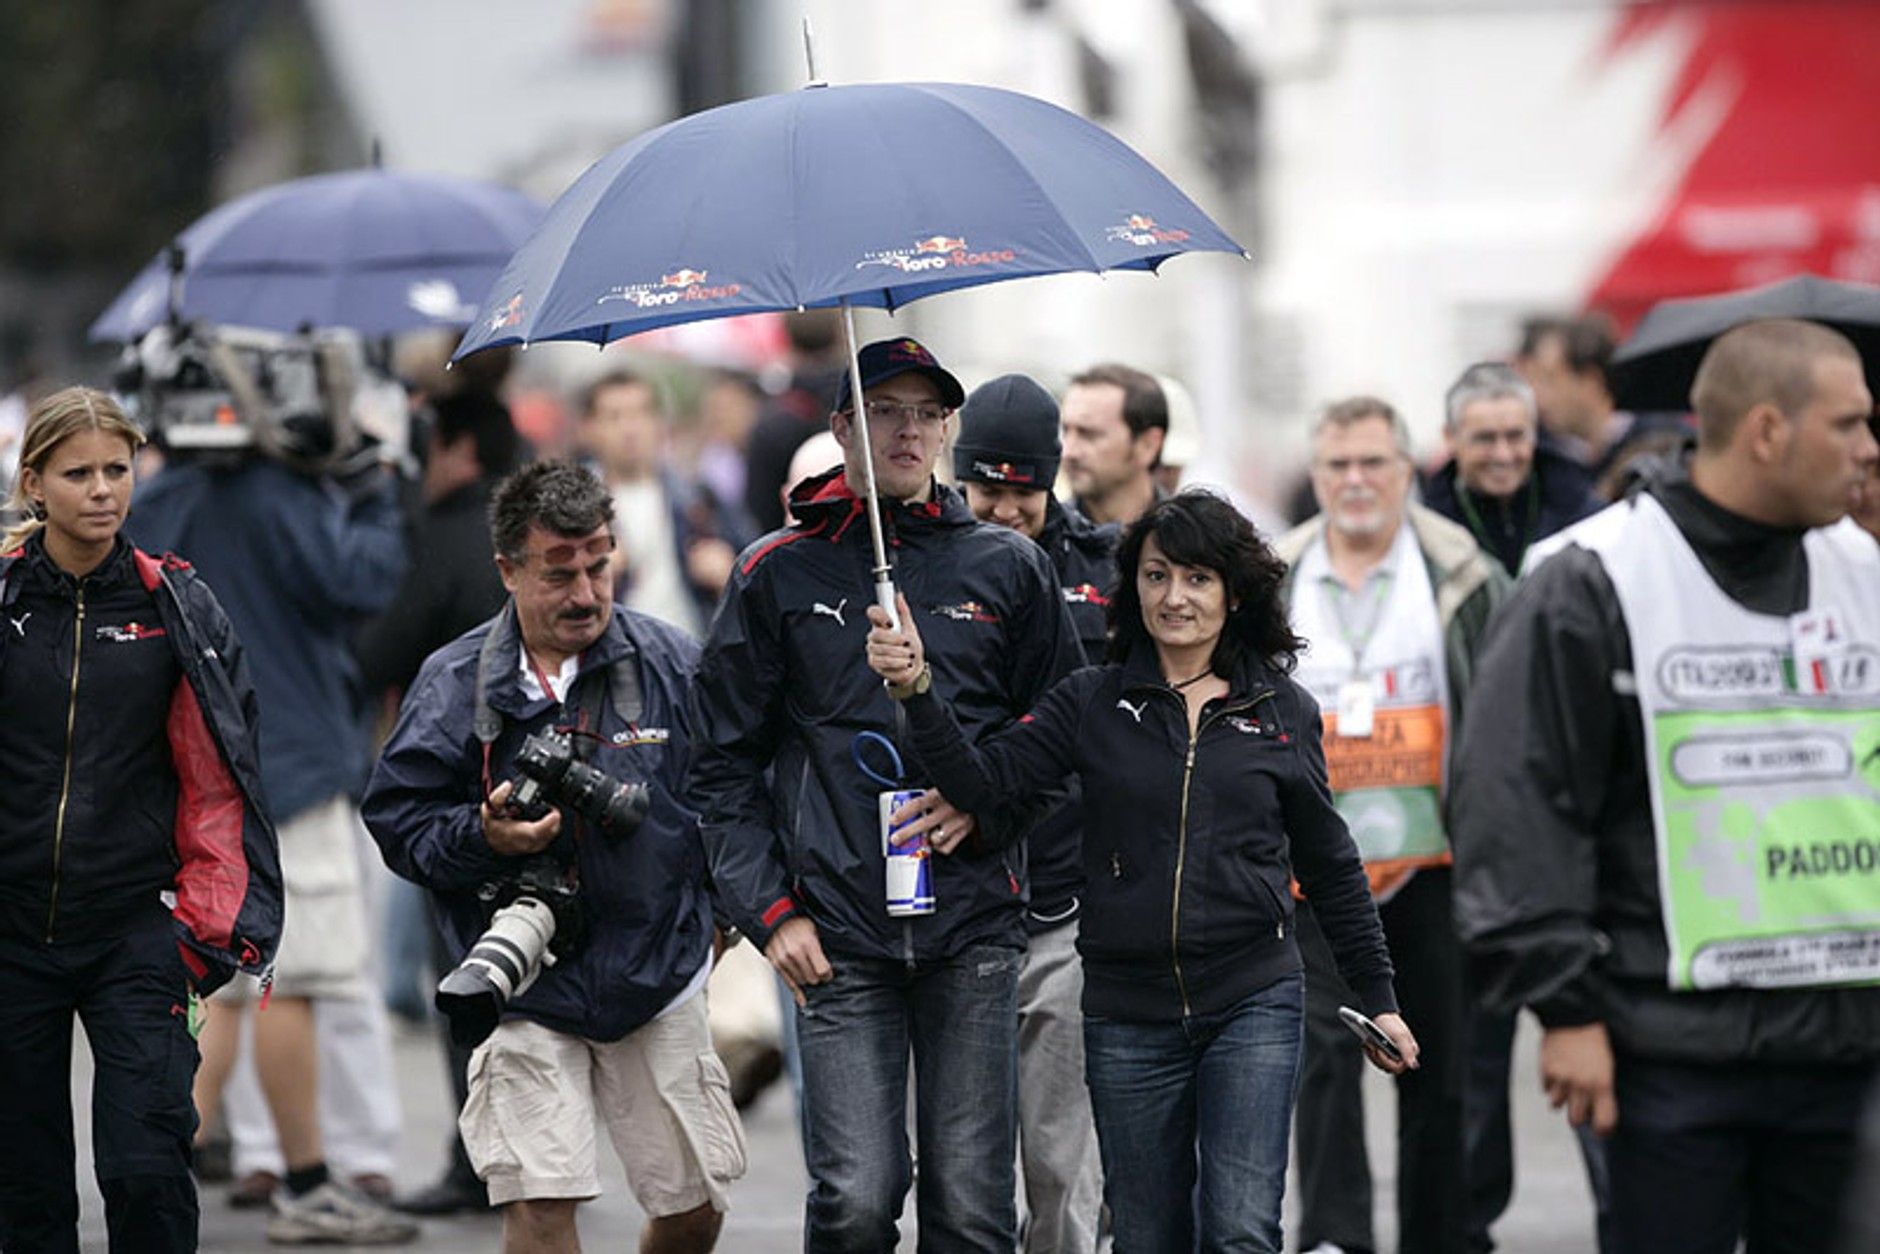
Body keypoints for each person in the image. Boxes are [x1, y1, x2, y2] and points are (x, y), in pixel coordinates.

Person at [868, 489, 1419, 1254]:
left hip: (1252, 997)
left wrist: (1379, 996)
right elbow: (985, 786)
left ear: (1234, 593)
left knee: (1240, 1231)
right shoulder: (1091, 698)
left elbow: (1329, 862)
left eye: (1197, 579)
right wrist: (919, 693)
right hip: (1128, 1010)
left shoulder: (1282, 709)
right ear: (1133, 587)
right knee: (1146, 1236)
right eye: (1157, 576)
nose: (1175, 598)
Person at [1451, 317, 1880, 1254]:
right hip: (1667, 1053)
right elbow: (1515, 803)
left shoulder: (1865, 573)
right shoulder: (1594, 577)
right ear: (1768, 431)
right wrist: (1564, 1007)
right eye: (1849, 424)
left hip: (1848, 1049)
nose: (1870, 448)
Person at [689, 336, 1083, 1252]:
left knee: (972, 1208)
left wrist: (987, 809)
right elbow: (716, 766)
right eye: (883, 411)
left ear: (948, 430)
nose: (906, 430)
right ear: (840, 430)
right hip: (835, 933)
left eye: (925, 413)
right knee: (858, 1200)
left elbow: (1065, 740)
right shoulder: (774, 572)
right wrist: (770, 912)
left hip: (976, 926)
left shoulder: (1009, 566)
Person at [364, 459, 746, 1253]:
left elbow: (737, 796)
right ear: (507, 570)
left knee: (694, 1207)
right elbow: (397, 818)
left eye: (599, 565)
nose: (584, 593)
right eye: (558, 572)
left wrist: (721, 917)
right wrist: (483, 837)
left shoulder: (674, 662)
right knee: (539, 1206)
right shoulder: (453, 682)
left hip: (657, 974)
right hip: (521, 985)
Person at [128, 380, 418, 1245]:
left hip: (191, 771)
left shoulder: (162, 499)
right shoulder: (284, 496)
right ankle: (306, 1182)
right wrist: (373, 485)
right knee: (292, 977)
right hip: (289, 763)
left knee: (218, 986)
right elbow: (362, 581)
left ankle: (152, 1162)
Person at [0, 386, 281, 1253]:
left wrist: (200, 932)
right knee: (26, 1192)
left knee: (148, 1171)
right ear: (34, 483)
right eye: (77, 472)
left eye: (116, 469)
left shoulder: (178, 606)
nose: (101, 490)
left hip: (137, 933)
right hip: (10, 935)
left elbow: (225, 778)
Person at [1274, 397, 1508, 1254]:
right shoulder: (1279, 574)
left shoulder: (1463, 574)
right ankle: (1335, 1238)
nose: (1357, 481)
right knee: (1323, 1068)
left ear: (1409, 471)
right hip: (1316, 875)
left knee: (1438, 1072)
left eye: (1375, 462)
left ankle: (1440, 1235)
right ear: (1317, 473)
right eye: (1338, 465)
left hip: (1434, 866)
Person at [952, 373, 1116, 1253]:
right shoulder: (919, 563)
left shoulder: (1112, 571)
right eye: (988, 487)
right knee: (963, 1177)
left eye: (1025, 489)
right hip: (955, 906)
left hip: (1069, 905)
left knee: (1062, 1170)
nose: (1006, 507)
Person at [575, 368, 753, 639]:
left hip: (691, 651)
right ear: (589, 428)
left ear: (659, 422)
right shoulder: (575, 508)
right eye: (614, 417)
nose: (630, 428)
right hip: (616, 656)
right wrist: (589, 573)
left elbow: (757, 570)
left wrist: (728, 573)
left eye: (641, 413)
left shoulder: (698, 495)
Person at [1420, 363, 1603, 577]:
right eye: (1485, 439)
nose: (1503, 455)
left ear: (1534, 432)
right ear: (1450, 437)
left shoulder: (1586, 514)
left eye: (1515, 436)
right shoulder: (1425, 533)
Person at [1514, 314, 1690, 500]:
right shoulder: (1539, 456)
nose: (1537, 396)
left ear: (1591, 381)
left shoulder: (1672, 447)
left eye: (1550, 379)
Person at [742, 309, 847, 535]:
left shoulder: (772, 426)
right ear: (841, 336)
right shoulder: (868, 411)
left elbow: (758, 517)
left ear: (785, 339)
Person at [1059, 363, 1169, 528]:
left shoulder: (1194, 544)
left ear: (1148, 445)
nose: (1068, 452)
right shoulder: (1042, 544)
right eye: (1065, 431)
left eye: (1089, 434)